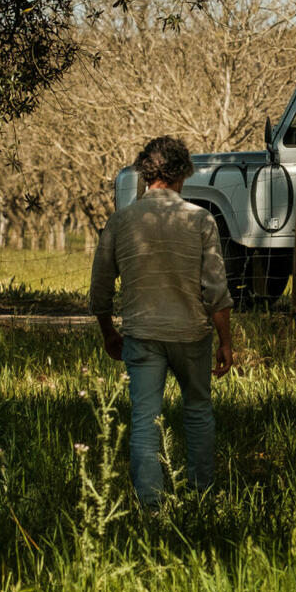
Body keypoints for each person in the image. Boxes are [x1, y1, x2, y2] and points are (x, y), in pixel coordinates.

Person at [89, 135, 235, 508]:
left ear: (145, 172)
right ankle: (202, 495)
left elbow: (100, 287)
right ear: (183, 173)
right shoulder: (200, 220)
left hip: (141, 334)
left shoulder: (121, 221)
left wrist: (108, 332)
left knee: (144, 419)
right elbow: (216, 289)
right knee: (198, 410)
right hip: (191, 334)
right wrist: (225, 341)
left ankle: (151, 505)